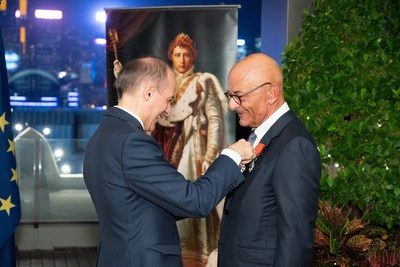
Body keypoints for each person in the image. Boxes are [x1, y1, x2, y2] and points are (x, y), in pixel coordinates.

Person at [83, 57, 255, 267]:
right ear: (148, 92)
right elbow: (195, 201)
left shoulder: (101, 136)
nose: (167, 111)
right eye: (168, 100)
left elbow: (150, 203)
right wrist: (231, 156)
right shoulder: (133, 142)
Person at [218, 53, 321, 266]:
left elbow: (296, 236)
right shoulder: (260, 133)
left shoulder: (294, 145)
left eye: (239, 96)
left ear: (271, 92)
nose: (231, 105)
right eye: (230, 95)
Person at [152, 33, 228, 265]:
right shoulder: (163, 84)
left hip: (193, 150)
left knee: (192, 197)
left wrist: (209, 154)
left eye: (186, 54)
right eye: (177, 54)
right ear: (171, 56)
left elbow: (215, 119)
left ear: (192, 56)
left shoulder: (202, 81)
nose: (182, 59)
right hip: (166, 151)